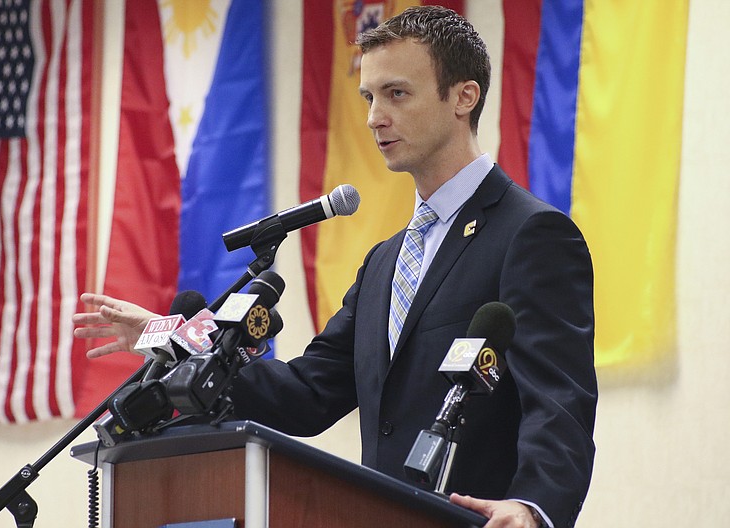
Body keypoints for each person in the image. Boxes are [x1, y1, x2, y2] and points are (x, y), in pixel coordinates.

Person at [73, 7, 597, 528]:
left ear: (464, 96)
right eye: (369, 97)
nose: (373, 117)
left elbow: (559, 400)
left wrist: (533, 507)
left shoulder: (531, 234)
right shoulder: (384, 263)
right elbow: (306, 394)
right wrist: (174, 341)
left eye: (397, 93)